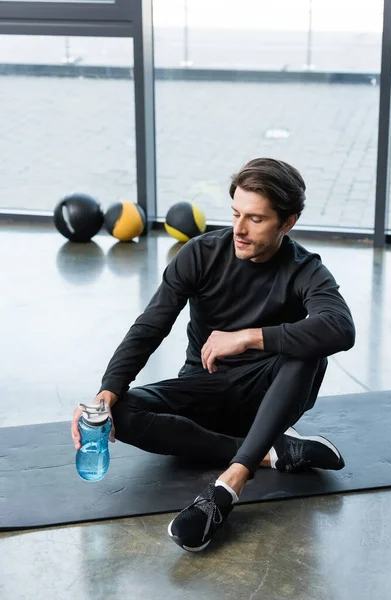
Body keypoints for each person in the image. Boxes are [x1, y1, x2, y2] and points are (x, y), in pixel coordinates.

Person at [71, 157, 355, 552]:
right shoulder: (200, 254)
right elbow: (150, 325)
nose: (239, 229)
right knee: (118, 412)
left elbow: (341, 328)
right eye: (236, 213)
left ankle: (232, 482)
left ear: (287, 223)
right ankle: (272, 453)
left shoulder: (304, 268)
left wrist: (249, 337)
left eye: (256, 219)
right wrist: (106, 392)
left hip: (268, 396)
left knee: (309, 349)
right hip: (202, 387)